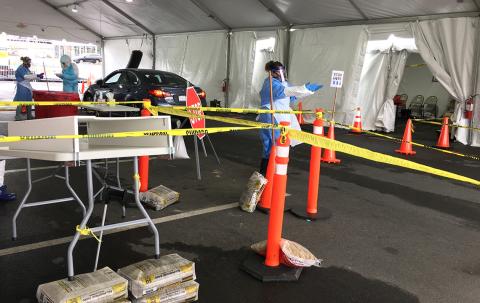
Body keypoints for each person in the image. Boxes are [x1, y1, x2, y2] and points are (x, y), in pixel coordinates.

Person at [258, 61, 322, 175]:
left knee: (279, 145)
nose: (282, 74)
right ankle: (265, 173)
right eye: (279, 72)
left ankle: (273, 172)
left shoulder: (283, 83)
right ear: (272, 73)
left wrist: (308, 91)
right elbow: (285, 92)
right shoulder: (270, 83)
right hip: (270, 116)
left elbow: (292, 94)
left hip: (280, 118)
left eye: (282, 71)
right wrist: (303, 88)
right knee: (272, 146)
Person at [14, 56, 44, 120]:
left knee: (29, 101)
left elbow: (31, 75)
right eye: (29, 62)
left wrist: (38, 77)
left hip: (27, 86)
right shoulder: (21, 68)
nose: (30, 64)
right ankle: (17, 116)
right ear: (25, 62)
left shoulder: (26, 68)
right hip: (22, 86)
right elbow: (26, 77)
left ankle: (29, 116)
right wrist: (36, 76)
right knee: (21, 101)